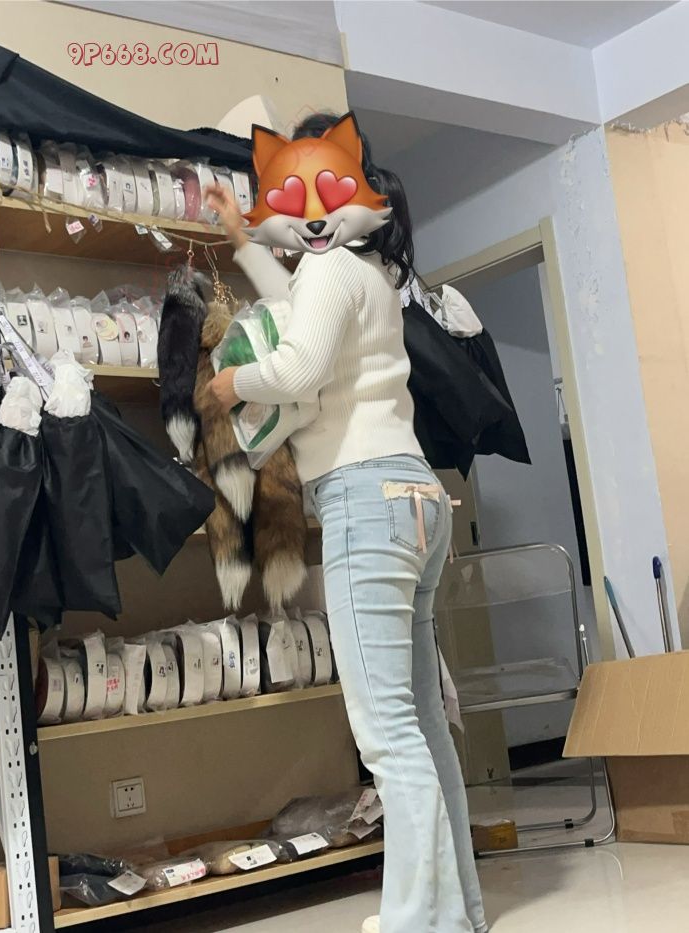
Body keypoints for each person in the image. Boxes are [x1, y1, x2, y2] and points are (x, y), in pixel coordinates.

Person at [205, 113, 487, 933]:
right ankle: (458, 912)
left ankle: (414, 921)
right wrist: (241, 239)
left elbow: (297, 364)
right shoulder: (365, 276)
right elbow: (297, 306)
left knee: (387, 732)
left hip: (367, 499)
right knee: (422, 724)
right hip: (416, 496)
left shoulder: (332, 269)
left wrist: (230, 386)